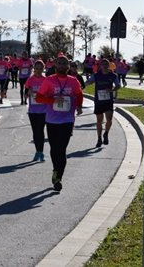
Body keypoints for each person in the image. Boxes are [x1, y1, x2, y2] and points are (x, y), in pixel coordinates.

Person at [36, 55, 83, 192]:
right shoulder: (49, 81)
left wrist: (79, 106)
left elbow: (79, 94)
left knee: (61, 149)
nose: (62, 65)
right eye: (60, 63)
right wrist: (53, 101)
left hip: (68, 119)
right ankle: (56, 170)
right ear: (55, 65)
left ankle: (58, 177)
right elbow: (39, 97)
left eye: (65, 63)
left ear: (68, 66)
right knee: (54, 149)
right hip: (52, 119)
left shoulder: (73, 81)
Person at [85, 58, 121, 148]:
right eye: (103, 64)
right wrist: (85, 84)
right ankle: (99, 138)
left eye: (106, 64)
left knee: (109, 120)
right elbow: (88, 82)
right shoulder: (96, 75)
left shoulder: (113, 75)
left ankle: (106, 133)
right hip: (98, 101)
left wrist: (112, 89)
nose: (104, 66)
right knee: (99, 121)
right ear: (100, 66)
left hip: (108, 101)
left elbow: (118, 85)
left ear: (109, 65)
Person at [24, 60, 47, 162]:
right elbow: (25, 94)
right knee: (35, 131)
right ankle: (38, 151)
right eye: (36, 69)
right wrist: (28, 92)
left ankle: (41, 152)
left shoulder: (46, 80)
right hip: (33, 110)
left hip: (43, 110)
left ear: (43, 69)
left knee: (40, 131)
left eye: (40, 69)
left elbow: (49, 93)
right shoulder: (30, 80)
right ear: (34, 69)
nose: (38, 71)